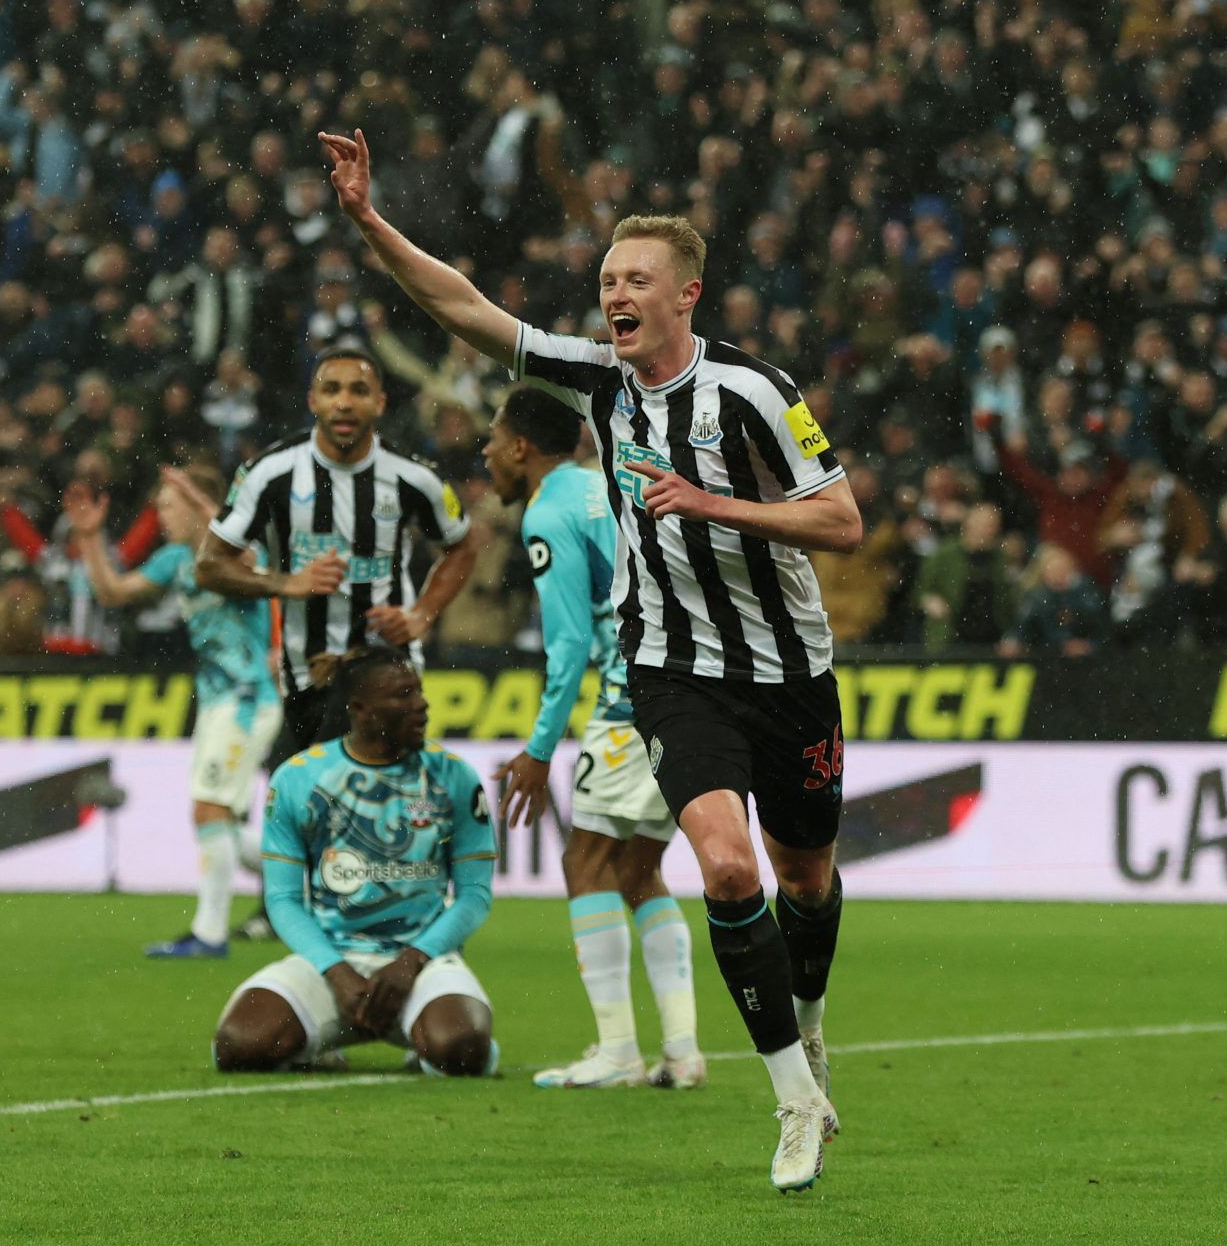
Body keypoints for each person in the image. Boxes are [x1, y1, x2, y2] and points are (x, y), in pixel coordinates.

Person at [322, 127, 856, 1191]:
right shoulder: (597, 379)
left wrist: (712, 504)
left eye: (636, 280)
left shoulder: (755, 391)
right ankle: (794, 1098)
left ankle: (808, 1024)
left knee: (804, 876)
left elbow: (841, 521)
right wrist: (371, 222)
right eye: (608, 279)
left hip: (789, 670)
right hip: (670, 668)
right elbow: (468, 309)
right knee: (726, 868)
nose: (616, 294)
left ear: (686, 295)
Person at [194, 345, 480, 939]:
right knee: (305, 805)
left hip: (387, 670)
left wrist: (422, 614)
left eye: (357, 390)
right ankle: (335, 921)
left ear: (380, 402)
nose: (344, 402)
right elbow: (210, 564)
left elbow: (462, 545)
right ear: (313, 401)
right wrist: (285, 583)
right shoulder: (272, 473)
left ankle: (368, 929)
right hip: (306, 674)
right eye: (332, 389)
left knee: (354, 801)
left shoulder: (412, 476)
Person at [482, 387, 704, 1092]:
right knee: (638, 870)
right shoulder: (609, 481)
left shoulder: (548, 510)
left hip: (630, 694)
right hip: (689, 686)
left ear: (521, 447)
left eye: (494, 439)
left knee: (585, 860)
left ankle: (617, 1051)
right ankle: (682, 1050)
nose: (486, 452)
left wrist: (539, 748)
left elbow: (571, 642)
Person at [211, 650, 498, 1078]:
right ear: (360, 709)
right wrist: (336, 971)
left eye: (418, 691)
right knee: (239, 1048)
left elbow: (474, 895)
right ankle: (320, 1040)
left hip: (423, 962)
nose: (422, 704)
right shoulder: (298, 779)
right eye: (403, 695)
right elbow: (283, 900)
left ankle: (425, 1036)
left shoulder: (454, 777)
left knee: (462, 1050)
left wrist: (411, 961)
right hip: (329, 960)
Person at [70, 467, 280, 959]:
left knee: (211, 812)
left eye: (170, 504)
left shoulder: (234, 553)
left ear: (195, 504)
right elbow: (112, 593)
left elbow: (254, 567)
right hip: (215, 702)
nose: (161, 515)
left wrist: (208, 509)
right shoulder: (175, 560)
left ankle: (209, 935)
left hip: (248, 700)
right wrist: (91, 538)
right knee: (213, 819)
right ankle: (302, 872)